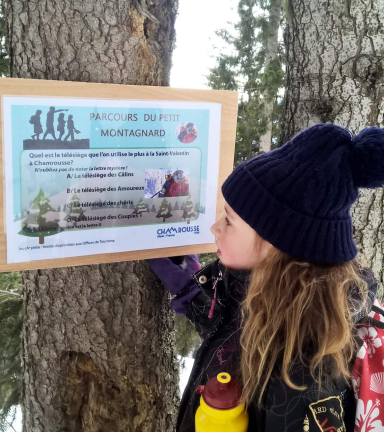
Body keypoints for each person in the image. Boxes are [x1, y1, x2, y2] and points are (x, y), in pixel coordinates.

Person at [149, 123, 384, 431]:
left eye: (229, 221)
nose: (215, 228)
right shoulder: (278, 293)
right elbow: (244, 333)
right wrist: (194, 297)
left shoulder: (304, 370)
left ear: (279, 244)